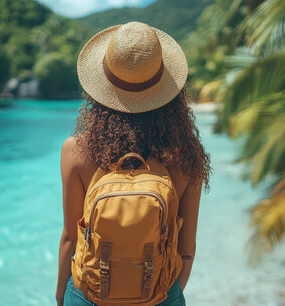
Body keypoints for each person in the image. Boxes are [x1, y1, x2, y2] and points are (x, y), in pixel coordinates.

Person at [55, 22, 211, 306]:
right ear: (169, 91)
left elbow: (70, 239)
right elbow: (186, 248)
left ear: (99, 89)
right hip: (161, 294)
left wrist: (60, 297)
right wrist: (162, 294)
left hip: (89, 295)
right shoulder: (187, 154)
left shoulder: (75, 150)